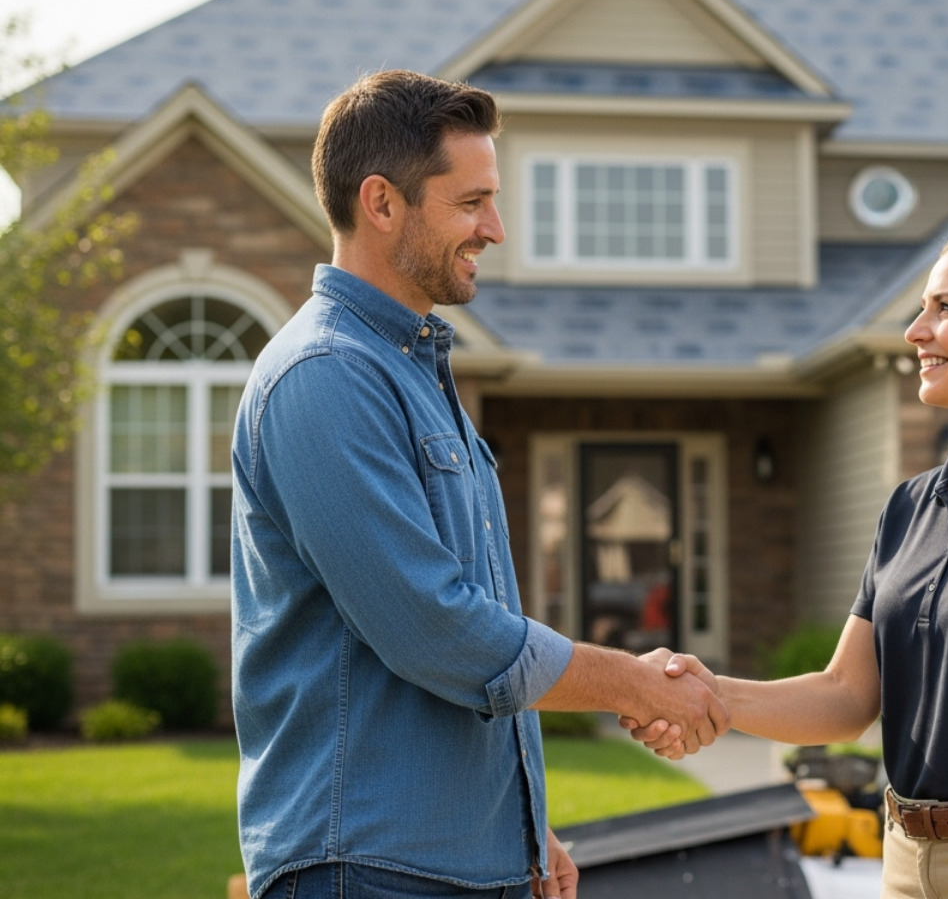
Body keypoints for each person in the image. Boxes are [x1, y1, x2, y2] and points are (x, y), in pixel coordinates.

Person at [230, 70, 726, 899]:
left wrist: (527, 826)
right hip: (367, 865)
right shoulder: (325, 376)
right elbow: (434, 628)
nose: (495, 229)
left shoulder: (410, 370)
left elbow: (475, 631)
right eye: (471, 203)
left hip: (461, 860)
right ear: (382, 203)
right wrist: (635, 684)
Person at [629, 229, 948, 899]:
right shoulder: (911, 506)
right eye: (922, 309)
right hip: (907, 864)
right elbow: (847, 696)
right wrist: (709, 693)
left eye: (945, 309)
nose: (916, 332)